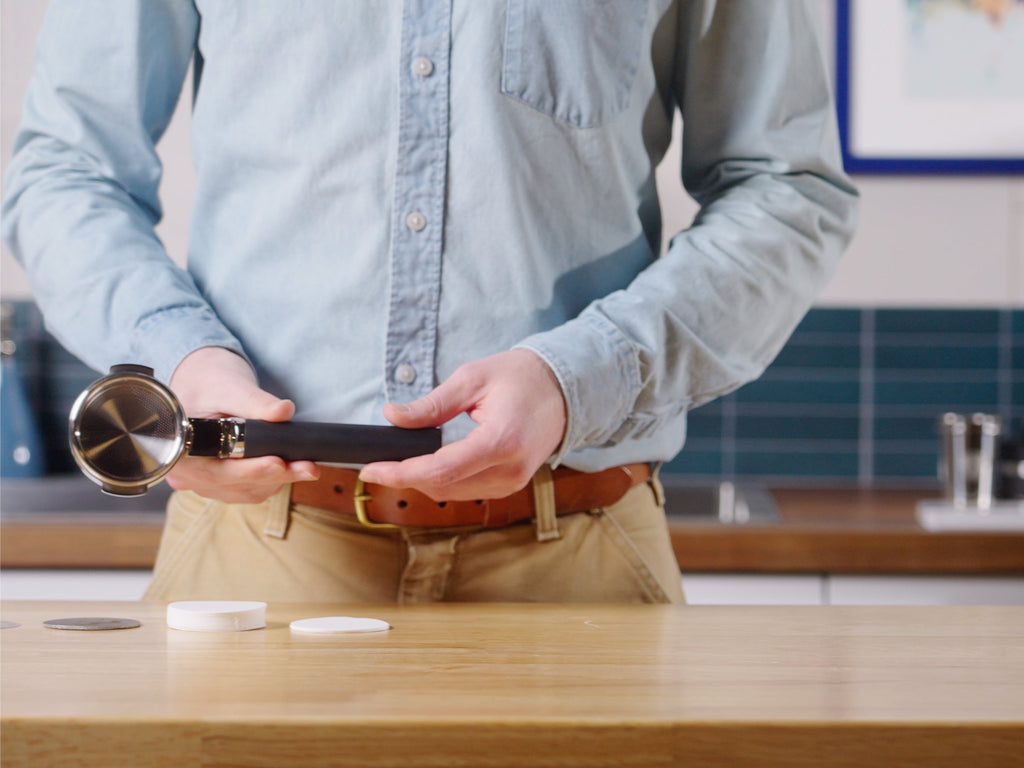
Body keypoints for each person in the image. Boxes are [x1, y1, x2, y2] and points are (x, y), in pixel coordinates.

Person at [2, 1, 858, 604]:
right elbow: (67, 173)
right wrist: (180, 361)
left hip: (578, 560)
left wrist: (579, 379)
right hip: (259, 551)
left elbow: (788, 190)